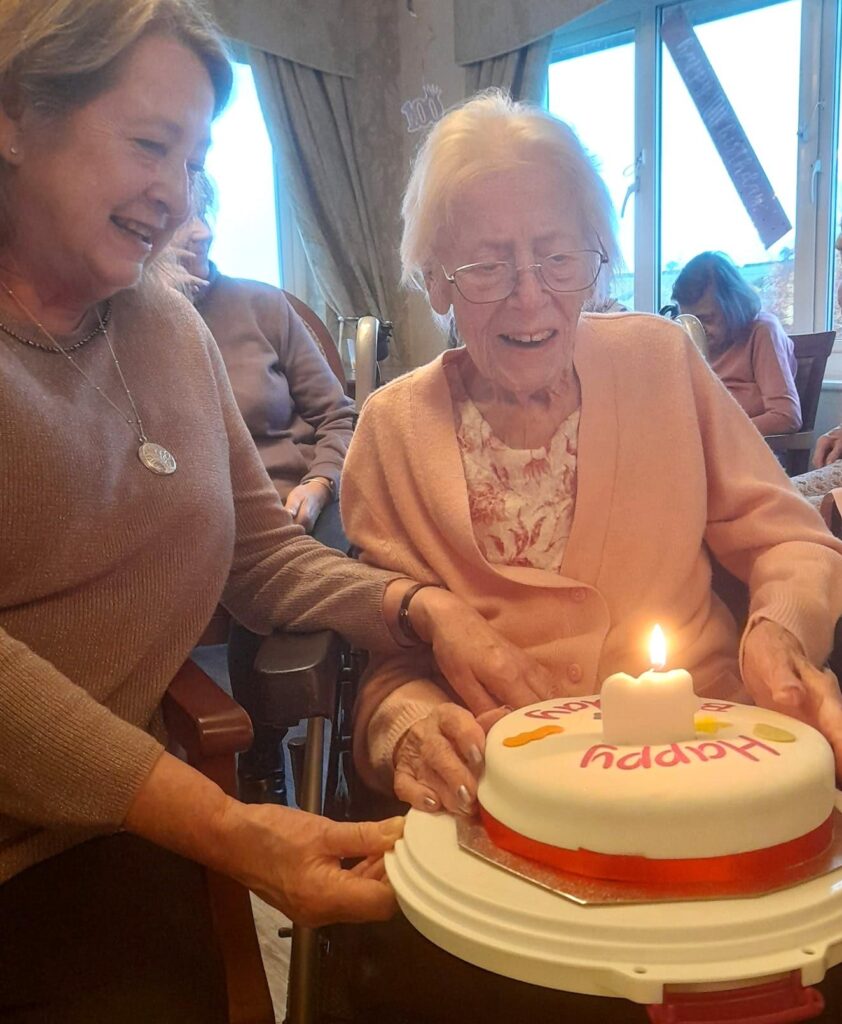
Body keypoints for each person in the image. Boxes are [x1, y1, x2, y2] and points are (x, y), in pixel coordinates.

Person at [0, 8, 556, 1020]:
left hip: (99, 826)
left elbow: (259, 555)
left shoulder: (166, 329)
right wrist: (224, 825)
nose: (176, 193)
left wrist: (419, 607)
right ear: (15, 117)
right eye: (147, 143)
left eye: (197, 156)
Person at [339, 91, 842, 817]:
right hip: (511, 799)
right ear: (435, 284)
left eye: (557, 256)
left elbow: (792, 539)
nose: (530, 295)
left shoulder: (661, 361)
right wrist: (410, 728)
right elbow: (392, 667)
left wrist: (781, 629)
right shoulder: (391, 431)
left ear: (596, 260)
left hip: (708, 762)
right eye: (486, 266)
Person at [167, 178, 350, 547]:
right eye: (183, 220)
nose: (203, 232)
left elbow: (337, 417)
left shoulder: (263, 304)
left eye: (202, 214)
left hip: (300, 514)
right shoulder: (125, 326)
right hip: (199, 533)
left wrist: (320, 484)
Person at [671, 251, 801, 436]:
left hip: (746, 452)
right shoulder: (693, 339)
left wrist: (717, 436)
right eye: (690, 320)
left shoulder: (762, 331)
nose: (699, 329)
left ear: (733, 305)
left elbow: (786, 417)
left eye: (707, 318)